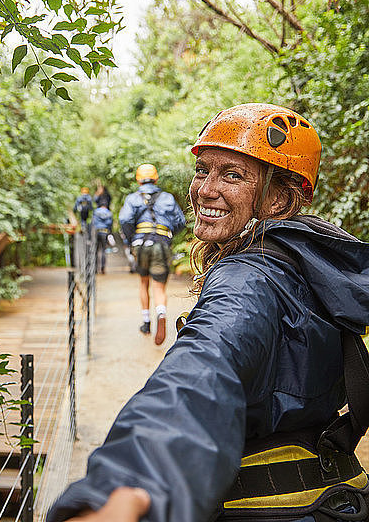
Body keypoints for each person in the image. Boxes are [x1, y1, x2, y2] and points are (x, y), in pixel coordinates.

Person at [47, 103, 369, 522]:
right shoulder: (310, 259)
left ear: (277, 196)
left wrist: (130, 486)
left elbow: (203, 369)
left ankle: (148, 316)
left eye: (232, 175)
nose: (205, 189)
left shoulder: (247, 279)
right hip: (332, 499)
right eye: (203, 170)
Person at [119, 164, 185, 345]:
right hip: (161, 244)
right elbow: (180, 221)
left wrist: (132, 238)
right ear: (156, 179)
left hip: (140, 244)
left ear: (138, 180)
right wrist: (169, 235)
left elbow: (125, 220)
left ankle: (146, 322)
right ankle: (161, 314)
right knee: (159, 287)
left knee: (143, 282)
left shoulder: (133, 198)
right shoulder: (167, 198)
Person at [92, 204, 114, 274]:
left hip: (97, 232)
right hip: (105, 232)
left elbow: (93, 222)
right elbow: (110, 223)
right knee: (103, 251)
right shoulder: (109, 213)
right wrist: (110, 232)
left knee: (95, 251)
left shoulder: (96, 212)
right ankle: (102, 268)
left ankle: (95, 268)